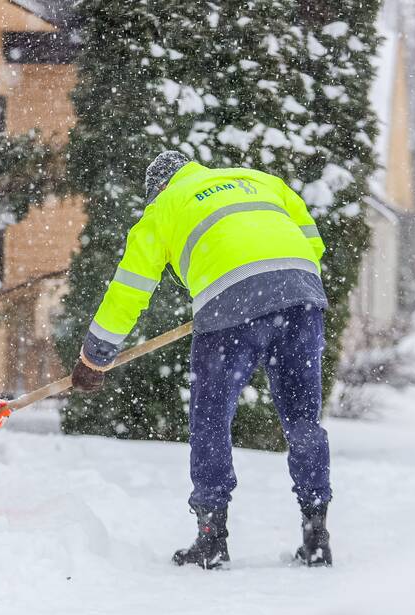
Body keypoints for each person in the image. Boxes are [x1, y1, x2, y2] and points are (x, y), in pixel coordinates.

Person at [70, 151, 332, 569]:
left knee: (211, 420)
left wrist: (94, 357)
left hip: (230, 308)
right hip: (301, 299)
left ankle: (211, 540)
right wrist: (276, 289)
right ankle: (316, 534)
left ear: (156, 189)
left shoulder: (163, 209)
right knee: (303, 422)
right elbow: (310, 241)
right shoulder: (259, 179)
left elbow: (130, 289)